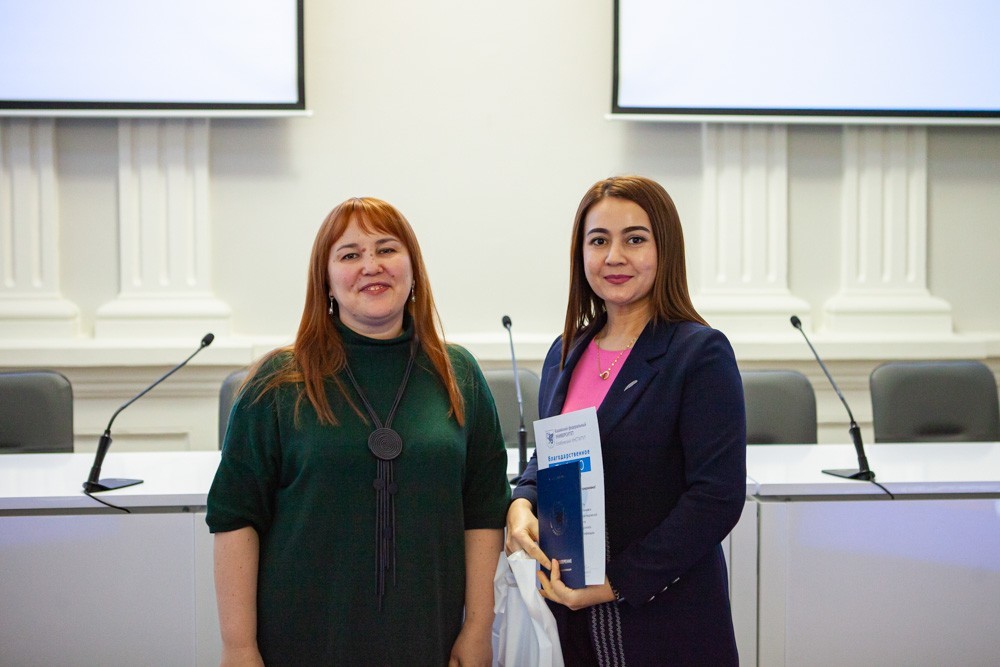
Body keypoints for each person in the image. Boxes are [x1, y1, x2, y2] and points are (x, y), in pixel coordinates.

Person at [207, 197, 511, 666]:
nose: (371, 266)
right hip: (302, 639)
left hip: (428, 636)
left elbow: (484, 509)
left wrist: (478, 626)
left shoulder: (459, 375)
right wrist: (238, 646)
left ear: (412, 269)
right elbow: (234, 517)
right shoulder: (277, 382)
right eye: (349, 255)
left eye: (387, 249)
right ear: (326, 280)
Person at [506, 176, 747, 665]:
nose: (614, 256)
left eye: (634, 239)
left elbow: (716, 498)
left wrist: (615, 584)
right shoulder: (565, 352)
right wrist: (522, 501)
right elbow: (549, 457)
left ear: (665, 250)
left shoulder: (698, 353)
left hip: (665, 621)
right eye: (599, 241)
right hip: (572, 619)